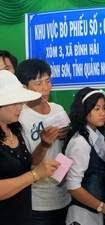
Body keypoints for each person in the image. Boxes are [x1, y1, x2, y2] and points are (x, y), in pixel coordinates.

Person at [0, 70, 60, 225]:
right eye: (14, 103)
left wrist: (44, 145)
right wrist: (35, 175)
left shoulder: (14, 129)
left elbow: (27, 164)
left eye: (21, 102)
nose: (20, 107)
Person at [15, 59, 71, 225]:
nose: (46, 87)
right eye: (38, 83)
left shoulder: (58, 109)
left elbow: (68, 149)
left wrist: (67, 136)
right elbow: (25, 164)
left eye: (48, 81)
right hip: (36, 201)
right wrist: (44, 144)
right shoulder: (19, 118)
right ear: (24, 87)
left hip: (63, 196)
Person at [63, 87, 105, 225]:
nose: (102, 113)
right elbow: (73, 187)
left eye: (104, 108)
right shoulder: (79, 142)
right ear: (83, 110)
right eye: (96, 109)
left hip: (96, 213)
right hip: (82, 215)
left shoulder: (99, 136)